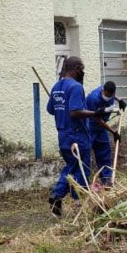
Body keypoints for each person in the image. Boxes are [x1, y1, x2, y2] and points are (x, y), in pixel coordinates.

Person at [46, 57, 112, 217]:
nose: (83, 72)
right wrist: (96, 113)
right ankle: (75, 201)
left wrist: (61, 108)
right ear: (76, 69)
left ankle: (59, 195)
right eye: (82, 69)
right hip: (77, 135)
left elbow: (50, 109)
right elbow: (75, 111)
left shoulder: (56, 86)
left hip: (63, 135)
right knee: (83, 170)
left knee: (72, 166)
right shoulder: (76, 87)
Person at [86, 81, 125, 188]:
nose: (108, 97)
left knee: (104, 153)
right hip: (90, 127)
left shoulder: (111, 93)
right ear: (103, 90)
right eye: (106, 95)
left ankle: (106, 180)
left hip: (101, 130)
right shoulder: (93, 98)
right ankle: (84, 183)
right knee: (85, 155)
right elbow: (98, 120)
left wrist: (119, 99)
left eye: (110, 95)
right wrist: (113, 132)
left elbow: (113, 95)